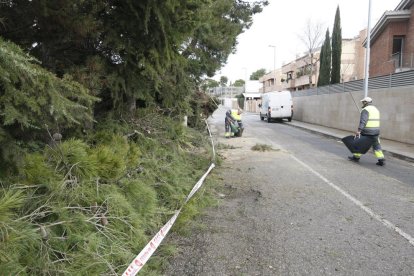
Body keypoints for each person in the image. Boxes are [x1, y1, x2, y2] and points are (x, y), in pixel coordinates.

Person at [348, 96, 385, 166]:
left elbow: (363, 121)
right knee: (376, 145)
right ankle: (381, 159)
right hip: (376, 131)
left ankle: (356, 157)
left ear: (366, 102)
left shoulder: (365, 110)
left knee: (359, 144)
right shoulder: (376, 109)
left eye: (363, 102)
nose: (362, 103)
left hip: (367, 131)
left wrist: (359, 130)